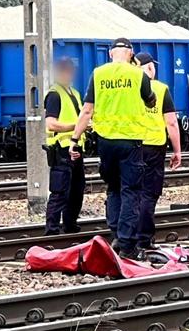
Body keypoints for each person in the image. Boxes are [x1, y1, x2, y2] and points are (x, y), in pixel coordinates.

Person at [69, 38, 156, 259]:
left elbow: (87, 110)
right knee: (131, 190)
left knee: (113, 188)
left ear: (110, 54)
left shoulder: (98, 74)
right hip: (131, 140)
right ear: (131, 54)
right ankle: (127, 244)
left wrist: (74, 139)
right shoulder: (138, 75)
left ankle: (116, 233)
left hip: (105, 142)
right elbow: (150, 101)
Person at [134, 51, 182, 250]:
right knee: (148, 194)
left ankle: (127, 237)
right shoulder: (161, 89)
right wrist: (177, 150)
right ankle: (144, 239)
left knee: (131, 193)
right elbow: (171, 122)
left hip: (133, 145)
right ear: (151, 67)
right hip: (154, 147)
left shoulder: (130, 88)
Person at [44, 57, 86, 235]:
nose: (69, 73)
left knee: (76, 190)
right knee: (60, 191)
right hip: (61, 148)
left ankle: (70, 225)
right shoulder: (54, 94)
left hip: (76, 147)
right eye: (66, 70)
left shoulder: (74, 93)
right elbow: (51, 124)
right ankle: (52, 229)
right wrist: (76, 126)